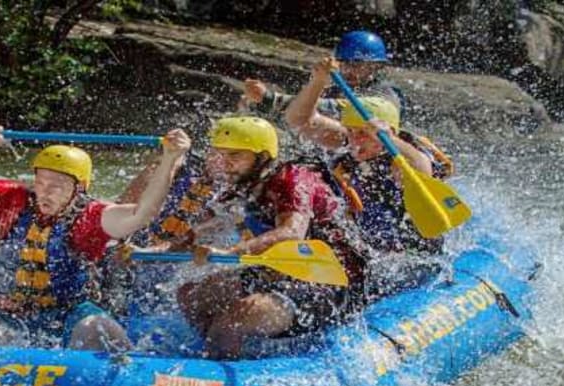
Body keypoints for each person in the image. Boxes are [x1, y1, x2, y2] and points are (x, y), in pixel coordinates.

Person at [0, 123, 191, 350]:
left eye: (57, 185)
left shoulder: (92, 217)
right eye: (41, 181)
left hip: (71, 314)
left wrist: (169, 160)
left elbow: (143, 214)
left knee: (96, 328)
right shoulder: (13, 201)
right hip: (12, 313)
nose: (46, 191)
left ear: (80, 187)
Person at [173, 116, 366, 358]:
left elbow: (291, 233)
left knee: (231, 320)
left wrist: (231, 252)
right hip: (279, 273)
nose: (224, 163)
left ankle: (219, 367)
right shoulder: (240, 185)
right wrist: (150, 251)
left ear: (262, 158)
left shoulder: (293, 178)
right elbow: (194, 233)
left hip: (328, 283)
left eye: (235, 156)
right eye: (219, 154)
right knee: (191, 296)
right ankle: (215, 355)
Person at [285, 58, 448, 298]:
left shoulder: (403, 156)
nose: (354, 140)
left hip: (414, 257)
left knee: (373, 279)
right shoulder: (348, 145)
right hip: (370, 250)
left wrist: (386, 139)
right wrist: (318, 82)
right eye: (350, 131)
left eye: (363, 134)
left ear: (389, 133)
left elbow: (422, 170)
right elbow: (299, 121)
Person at [240, 30, 404, 128]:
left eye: (359, 66)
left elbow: (339, 108)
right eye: (345, 64)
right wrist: (258, 108)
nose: (349, 71)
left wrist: (270, 99)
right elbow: (295, 117)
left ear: (375, 68)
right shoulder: (333, 88)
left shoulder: (384, 94)